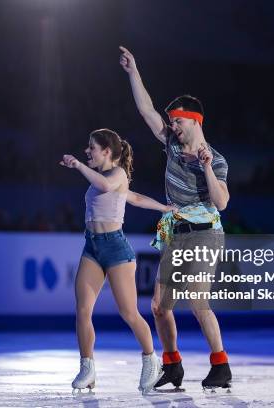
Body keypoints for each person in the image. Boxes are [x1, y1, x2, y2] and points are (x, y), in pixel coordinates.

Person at [119, 46, 232, 391]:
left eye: (178, 121)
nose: (173, 126)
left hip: (205, 234)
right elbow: (145, 109)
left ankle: (221, 365)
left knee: (198, 300)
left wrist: (207, 167)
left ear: (195, 120)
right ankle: (173, 365)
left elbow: (222, 202)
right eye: (172, 122)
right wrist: (133, 72)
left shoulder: (217, 160)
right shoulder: (170, 143)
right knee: (158, 306)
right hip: (175, 233)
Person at [59, 128, 174, 394]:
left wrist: (77, 165)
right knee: (83, 311)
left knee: (129, 312)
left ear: (107, 152)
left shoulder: (116, 174)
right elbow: (132, 197)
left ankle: (151, 360)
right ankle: (87, 368)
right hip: (92, 247)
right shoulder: (100, 177)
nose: (87, 151)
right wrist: (161, 207)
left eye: (92, 147)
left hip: (116, 249)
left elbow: (108, 186)